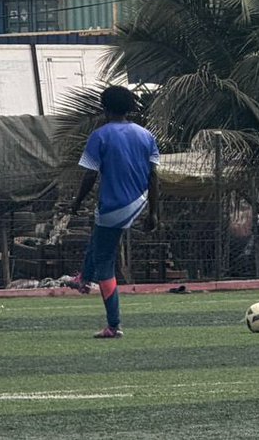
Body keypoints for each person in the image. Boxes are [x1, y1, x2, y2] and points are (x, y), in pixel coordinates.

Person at [70, 85, 160, 339]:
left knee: (105, 262)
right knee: (99, 237)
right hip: (139, 200)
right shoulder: (146, 135)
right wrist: (153, 212)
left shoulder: (100, 135)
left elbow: (90, 174)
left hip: (114, 205)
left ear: (104, 108)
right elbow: (153, 176)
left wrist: (77, 202)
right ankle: (82, 278)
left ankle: (113, 324)